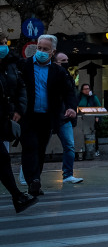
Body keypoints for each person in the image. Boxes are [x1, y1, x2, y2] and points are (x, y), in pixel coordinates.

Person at [19, 34, 77, 197]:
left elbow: (68, 92)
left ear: (53, 52)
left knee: (40, 149)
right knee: (30, 147)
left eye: (45, 49)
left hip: (46, 117)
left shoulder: (58, 71)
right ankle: (33, 181)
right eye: (39, 48)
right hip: (28, 116)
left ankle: (35, 180)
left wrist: (72, 108)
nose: (41, 52)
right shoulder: (25, 66)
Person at [0, 33, 35, 213]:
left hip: (3, 117)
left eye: (4, 43)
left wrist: (18, 109)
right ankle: (17, 197)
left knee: (3, 158)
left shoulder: (10, 64)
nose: (3, 46)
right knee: (2, 158)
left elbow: (20, 88)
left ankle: (18, 197)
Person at [49, 52, 82, 184]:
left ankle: (68, 174)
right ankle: (29, 174)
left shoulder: (68, 76)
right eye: (63, 60)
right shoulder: (52, 75)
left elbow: (72, 96)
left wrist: (71, 109)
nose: (66, 62)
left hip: (64, 116)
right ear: (56, 62)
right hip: (52, 116)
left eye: (67, 60)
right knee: (37, 147)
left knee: (69, 146)